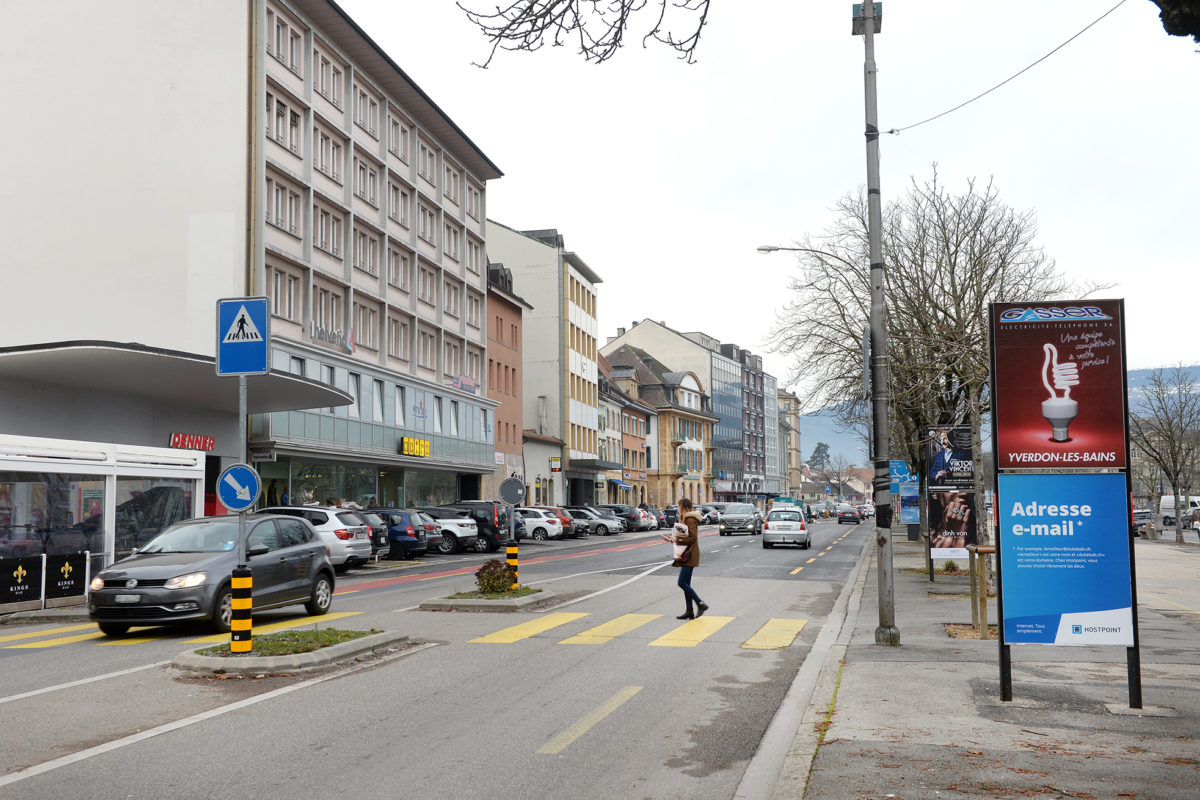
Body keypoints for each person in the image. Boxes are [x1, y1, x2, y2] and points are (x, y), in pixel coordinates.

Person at [660, 497, 708, 620]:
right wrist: (671, 539)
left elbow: (693, 538)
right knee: (686, 583)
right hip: (686, 554)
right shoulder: (685, 519)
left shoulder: (690, 519)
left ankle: (700, 603)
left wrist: (677, 539)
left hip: (690, 555)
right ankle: (689, 611)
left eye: (679, 506)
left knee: (682, 583)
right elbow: (683, 536)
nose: (678, 509)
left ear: (684, 507)